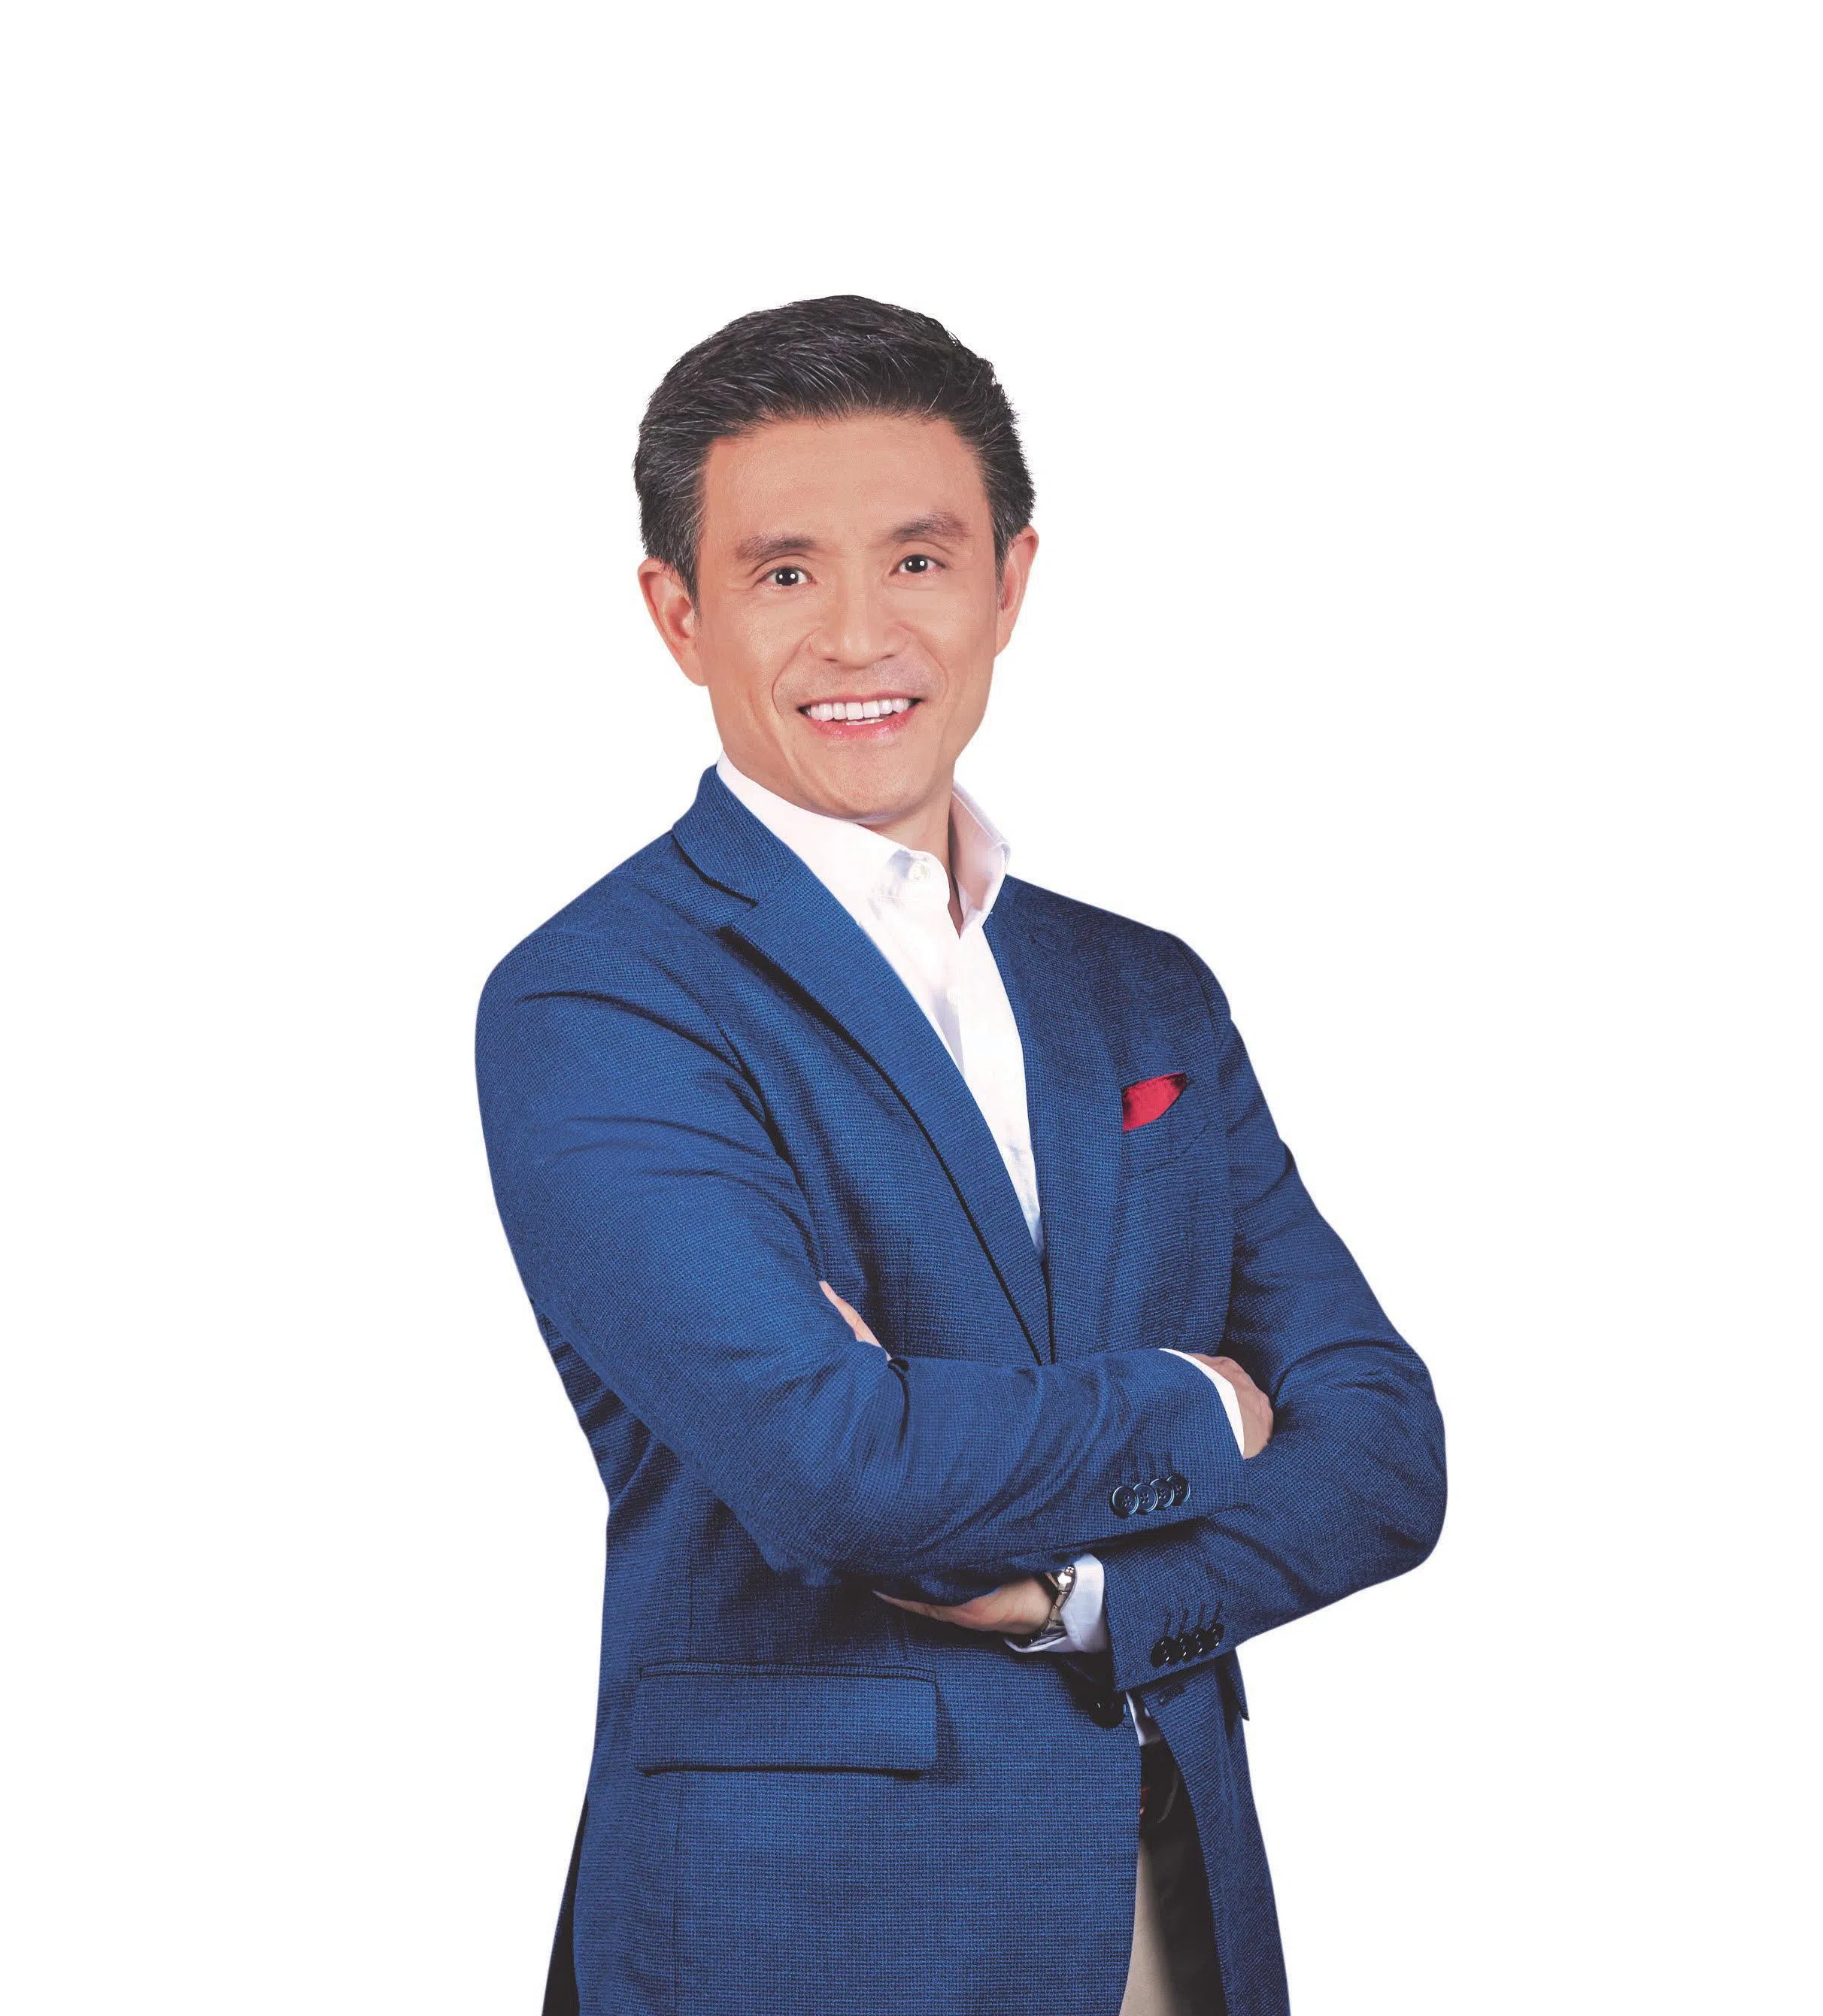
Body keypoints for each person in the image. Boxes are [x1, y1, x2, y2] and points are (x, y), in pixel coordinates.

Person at [475, 296, 1445, 2016]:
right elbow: (835, 1466)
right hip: (804, 1929)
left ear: (1010, 583)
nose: (861, 633)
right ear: (680, 614)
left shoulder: (1142, 989)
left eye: (919, 560)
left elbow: (1381, 1452)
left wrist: (1084, 1590)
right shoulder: (603, 999)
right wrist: (1204, 1402)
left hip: (1170, 1893)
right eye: (785, 572)